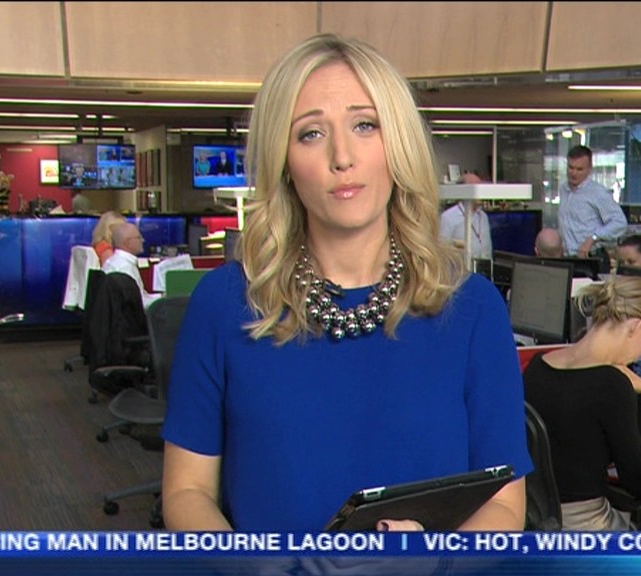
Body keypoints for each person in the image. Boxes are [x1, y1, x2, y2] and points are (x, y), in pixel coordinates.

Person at [160, 33, 532, 533]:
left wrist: (435, 558)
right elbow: (187, 492)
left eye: (364, 125)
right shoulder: (225, 304)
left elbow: (504, 505)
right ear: (284, 162)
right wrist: (250, 566)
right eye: (311, 133)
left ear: (397, 142)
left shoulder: (472, 308)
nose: (342, 156)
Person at [523, 276, 641, 530]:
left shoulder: (537, 366)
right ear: (637, 326)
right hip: (587, 528)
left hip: (536, 521)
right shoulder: (611, 384)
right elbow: (640, 483)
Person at [556, 145, 628, 258]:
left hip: (591, 256)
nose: (574, 173)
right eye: (571, 167)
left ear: (589, 169)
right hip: (568, 257)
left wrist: (593, 238)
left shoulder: (598, 193)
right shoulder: (563, 189)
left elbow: (619, 223)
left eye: (579, 169)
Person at [101, 222, 159, 309]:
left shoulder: (111, 261)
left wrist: (160, 296)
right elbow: (139, 303)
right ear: (128, 242)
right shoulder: (125, 267)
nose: (143, 240)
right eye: (139, 237)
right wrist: (164, 299)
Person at [439, 171, 493, 261]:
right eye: (475, 188)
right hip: (461, 267)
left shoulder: (483, 217)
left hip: (485, 266)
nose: (480, 193)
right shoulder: (448, 217)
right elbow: (441, 249)